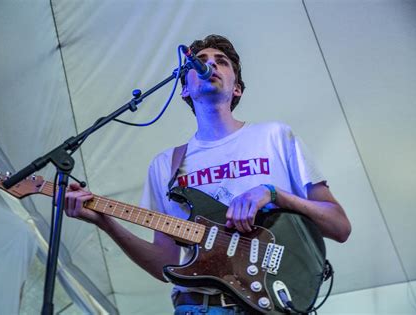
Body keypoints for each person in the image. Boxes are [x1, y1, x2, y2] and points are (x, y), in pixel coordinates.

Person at [64, 34, 351, 315]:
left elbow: (339, 226)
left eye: (221, 61)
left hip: (273, 302)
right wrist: (104, 222)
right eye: (200, 60)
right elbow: (165, 262)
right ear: (185, 89)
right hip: (198, 308)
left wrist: (273, 193)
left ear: (236, 88)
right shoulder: (166, 165)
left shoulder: (275, 136)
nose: (210, 64)